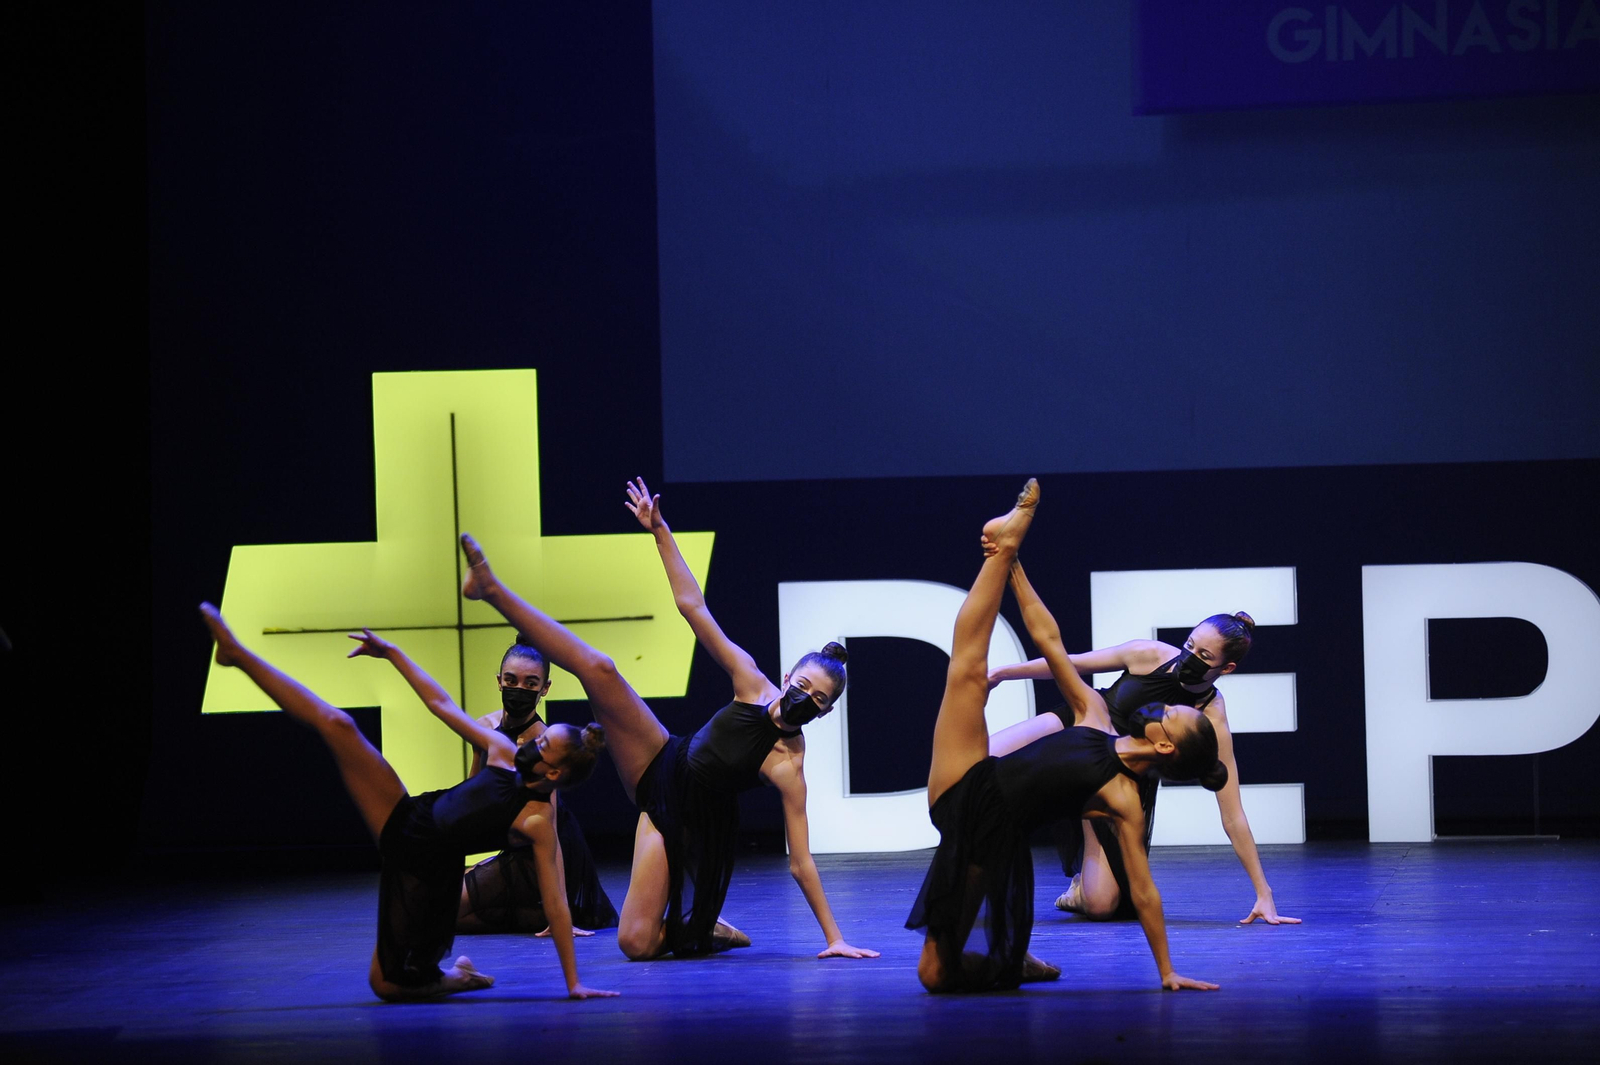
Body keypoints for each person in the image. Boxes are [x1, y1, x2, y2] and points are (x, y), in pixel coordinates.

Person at [462, 493, 876, 962]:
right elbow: (692, 606)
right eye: (802, 686)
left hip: (688, 821)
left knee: (634, 944)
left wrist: (834, 938)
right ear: (787, 678)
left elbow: (801, 863)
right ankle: (492, 589)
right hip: (662, 759)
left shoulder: (789, 764)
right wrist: (659, 529)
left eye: (818, 699)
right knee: (601, 669)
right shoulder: (751, 681)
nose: (805, 699)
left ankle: (706, 928)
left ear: (824, 712)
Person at [198, 604, 617, 1001]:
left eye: (542, 743)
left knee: (386, 985)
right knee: (339, 725)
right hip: (407, 814)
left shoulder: (539, 818)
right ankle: (237, 655)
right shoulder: (501, 751)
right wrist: (393, 653)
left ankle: (457, 977)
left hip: (424, 866)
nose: (533, 739)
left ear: (554, 773)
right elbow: (440, 704)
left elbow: (559, 905)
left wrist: (573, 983)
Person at [908, 480, 1220, 993]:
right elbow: (1050, 640)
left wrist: (1167, 971)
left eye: (1173, 713)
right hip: (967, 776)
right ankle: (1005, 543)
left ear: (1167, 746)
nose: (1164, 703)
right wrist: (1013, 566)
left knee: (935, 977)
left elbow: (1142, 891)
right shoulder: (1094, 714)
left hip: (990, 833)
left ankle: (1010, 961)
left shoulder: (1124, 799)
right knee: (965, 669)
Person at [988, 613, 1299, 925]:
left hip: (1112, 783)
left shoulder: (1210, 716)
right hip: (1080, 726)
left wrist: (1263, 892)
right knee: (981, 758)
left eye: (1204, 656)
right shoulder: (1149, 655)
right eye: (1189, 645)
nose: (1188, 657)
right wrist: (1002, 673)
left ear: (1226, 668)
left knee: (1101, 906)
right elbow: (1072, 663)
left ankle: (1080, 889)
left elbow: (1232, 814)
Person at [343, 630, 618, 934]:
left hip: (540, 855)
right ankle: (530, 915)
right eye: (511, 680)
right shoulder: (486, 728)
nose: (518, 689)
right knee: (430, 904)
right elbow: (475, 792)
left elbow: (550, 830)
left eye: (530, 683)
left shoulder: (543, 744)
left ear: (545, 689)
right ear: (499, 680)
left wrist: (560, 911)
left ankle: (549, 912)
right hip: (510, 846)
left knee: (427, 910)